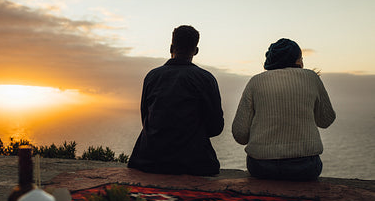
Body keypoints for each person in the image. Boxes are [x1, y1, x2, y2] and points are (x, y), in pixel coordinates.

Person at [232, 38, 336, 181]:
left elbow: (240, 134)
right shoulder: (311, 78)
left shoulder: (255, 82)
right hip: (305, 166)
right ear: (297, 60)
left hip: (261, 166)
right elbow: (326, 120)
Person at [128, 25, 224, 176]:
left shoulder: (152, 76)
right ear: (196, 50)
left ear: (171, 47)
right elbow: (216, 127)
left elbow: (145, 118)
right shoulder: (206, 79)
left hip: (149, 160)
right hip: (193, 163)